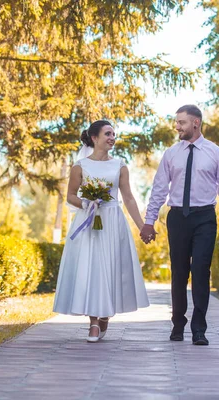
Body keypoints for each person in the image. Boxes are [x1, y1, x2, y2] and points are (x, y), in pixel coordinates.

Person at [140, 104, 219, 345]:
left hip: (204, 217)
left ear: (196, 123)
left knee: (201, 272)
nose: (177, 127)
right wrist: (149, 221)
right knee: (179, 272)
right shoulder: (172, 153)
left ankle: (199, 329)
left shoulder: (216, 153)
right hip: (177, 218)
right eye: (176, 122)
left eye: (181, 123)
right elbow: (159, 189)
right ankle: (177, 324)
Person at [53, 120, 150, 342]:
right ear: (94, 138)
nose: (112, 138)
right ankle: (94, 322)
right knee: (93, 269)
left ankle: (105, 315)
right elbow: (70, 195)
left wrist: (142, 225)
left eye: (114, 134)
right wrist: (86, 203)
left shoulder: (120, 166)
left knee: (111, 268)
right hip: (88, 221)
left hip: (113, 221)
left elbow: (129, 198)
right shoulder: (80, 166)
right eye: (107, 134)